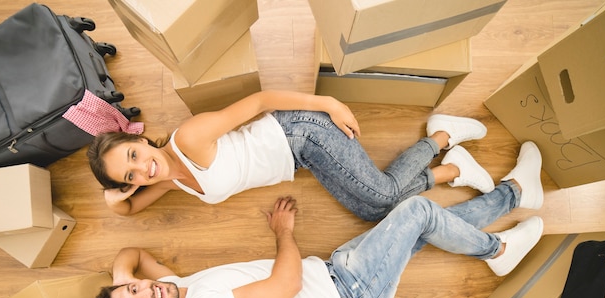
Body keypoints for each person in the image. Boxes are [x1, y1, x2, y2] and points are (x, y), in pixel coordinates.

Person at [88, 141, 545, 298]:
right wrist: (283, 231)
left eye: (135, 291)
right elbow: (285, 286)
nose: (147, 293)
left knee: (426, 230)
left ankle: (515, 195)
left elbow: (131, 254)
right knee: (417, 214)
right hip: (351, 296)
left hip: (336, 273)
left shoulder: (167, 291)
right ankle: (496, 251)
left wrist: (121, 282)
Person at [87, 90, 494, 221]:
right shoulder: (166, 180)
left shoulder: (189, 140)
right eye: (130, 176)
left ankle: (442, 137)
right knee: (372, 212)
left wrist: (329, 103)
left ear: (138, 141)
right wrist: (114, 195)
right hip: (302, 158)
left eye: (133, 155)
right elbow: (128, 211)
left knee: (385, 195)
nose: (141, 168)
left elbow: (261, 100)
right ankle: (454, 170)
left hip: (302, 132)